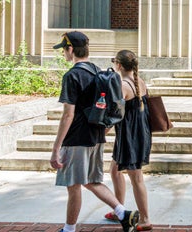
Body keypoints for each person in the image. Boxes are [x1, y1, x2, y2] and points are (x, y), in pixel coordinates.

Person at [50, 32, 139, 232]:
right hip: (96, 136)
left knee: (73, 185)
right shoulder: (99, 72)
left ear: (71, 49)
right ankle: (123, 213)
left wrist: (56, 149)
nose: (64, 53)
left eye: (64, 49)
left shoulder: (72, 75)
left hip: (76, 139)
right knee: (91, 181)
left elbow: (68, 115)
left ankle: (69, 229)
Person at [103, 49, 153, 231]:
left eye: (114, 61)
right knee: (115, 171)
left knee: (136, 177)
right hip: (139, 134)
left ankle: (146, 219)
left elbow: (114, 114)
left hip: (130, 138)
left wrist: (101, 133)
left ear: (119, 65)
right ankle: (119, 210)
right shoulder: (139, 81)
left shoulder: (122, 85)